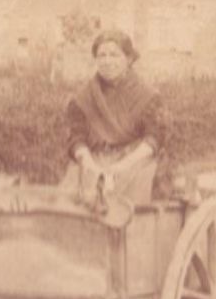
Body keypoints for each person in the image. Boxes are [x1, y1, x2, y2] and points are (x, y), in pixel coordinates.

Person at [59, 29, 168, 207]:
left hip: (136, 159)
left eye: (114, 55)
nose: (107, 61)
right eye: (101, 55)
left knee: (122, 207)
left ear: (129, 59)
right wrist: (89, 164)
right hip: (93, 159)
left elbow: (154, 138)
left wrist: (122, 166)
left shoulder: (148, 96)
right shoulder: (83, 97)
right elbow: (76, 137)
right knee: (70, 201)